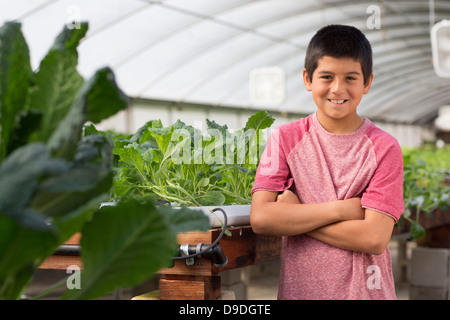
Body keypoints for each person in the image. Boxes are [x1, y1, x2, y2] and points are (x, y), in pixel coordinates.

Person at [250, 24, 404, 300]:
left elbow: (373, 238)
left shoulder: (384, 147)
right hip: (302, 293)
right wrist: (345, 209)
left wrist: (296, 216)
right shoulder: (285, 139)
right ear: (308, 79)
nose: (337, 88)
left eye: (350, 78)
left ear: (367, 82)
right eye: (327, 76)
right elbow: (261, 218)